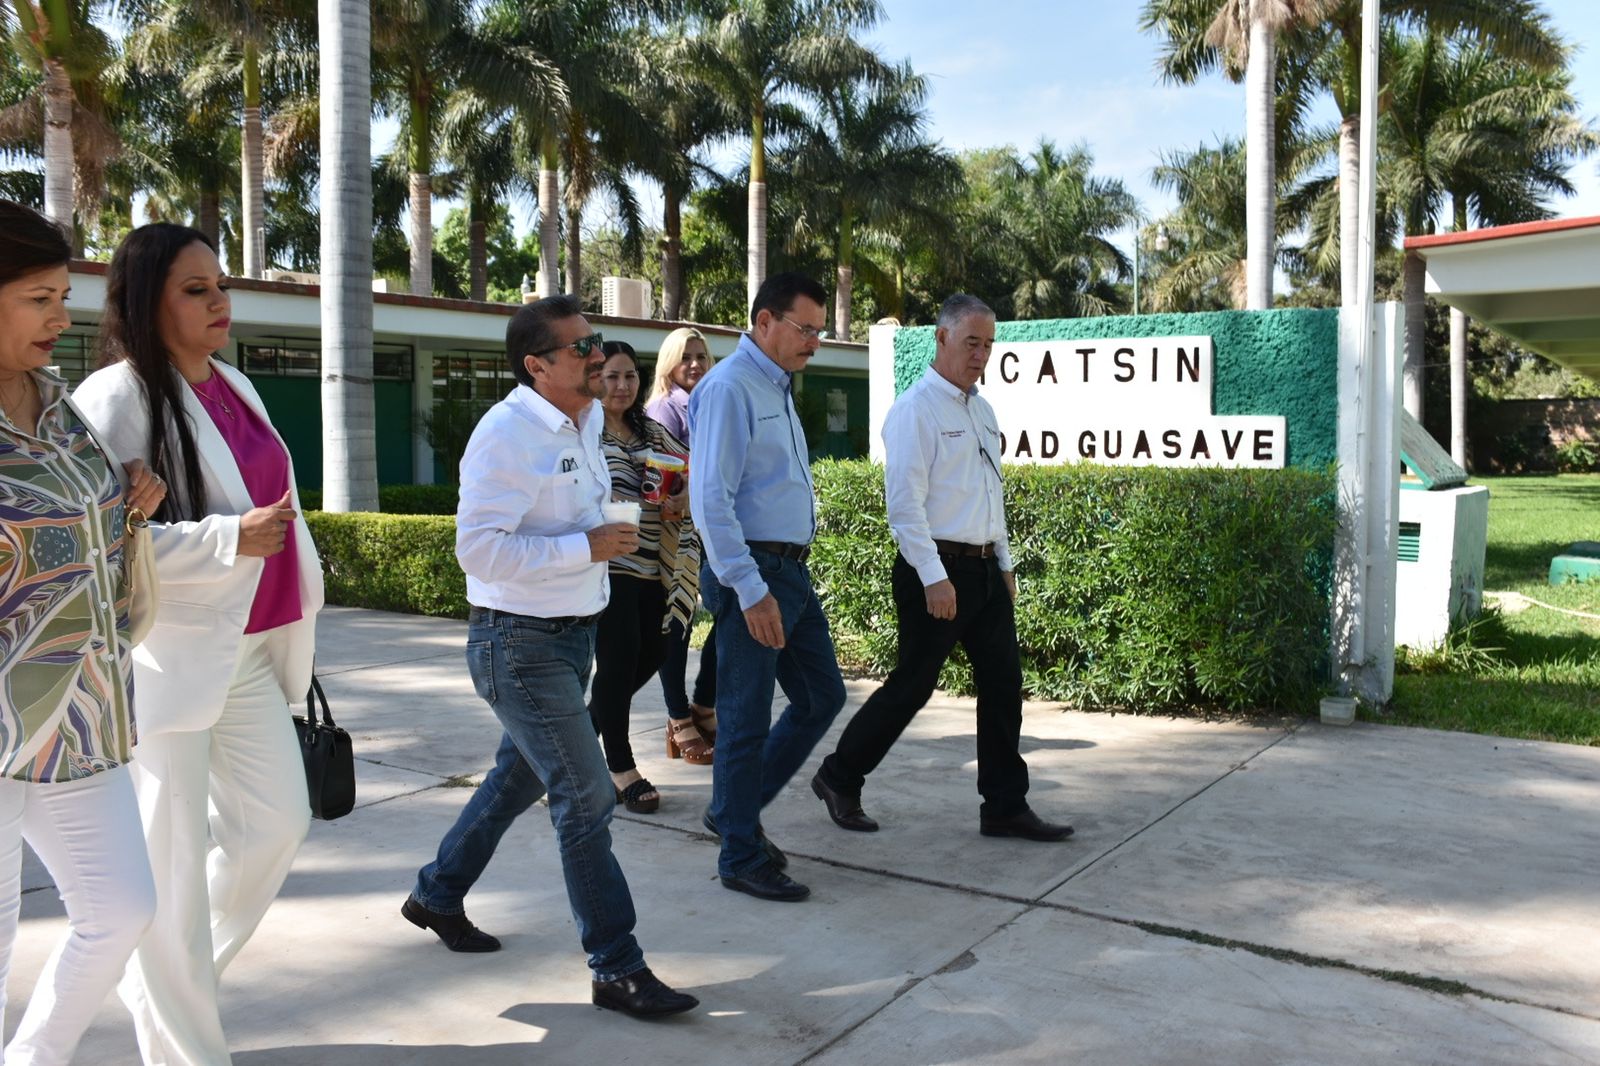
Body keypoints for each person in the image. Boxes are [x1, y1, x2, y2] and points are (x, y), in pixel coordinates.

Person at [402, 295, 697, 1019]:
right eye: (579, 349)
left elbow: (573, 512)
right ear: (537, 366)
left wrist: (615, 528)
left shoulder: (588, 418)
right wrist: (585, 547)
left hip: (571, 637)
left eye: (595, 342)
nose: (597, 356)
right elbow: (476, 549)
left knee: (517, 778)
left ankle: (438, 893)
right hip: (517, 641)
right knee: (588, 796)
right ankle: (616, 966)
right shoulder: (505, 435)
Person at [73, 223, 325, 1066]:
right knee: (174, 868)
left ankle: (166, 982)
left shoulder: (236, 384)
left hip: (251, 649)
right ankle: (185, 1045)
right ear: (148, 302)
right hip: (169, 662)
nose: (221, 301)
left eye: (221, 284)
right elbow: (98, 544)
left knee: (275, 827)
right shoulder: (115, 397)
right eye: (196, 289)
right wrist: (225, 541)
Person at [811, 294, 1073, 842]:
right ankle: (839, 777)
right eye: (971, 342)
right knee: (913, 685)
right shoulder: (914, 410)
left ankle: (1004, 805)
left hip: (983, 571)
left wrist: (1003, 563)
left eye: (988, 345)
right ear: (942, 338)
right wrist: (934, 577)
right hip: (935, 570)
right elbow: (905, 507)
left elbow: (989, 495)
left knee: (1003, 684)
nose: (980, 355)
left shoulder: (982, 410)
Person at [0, 200, 162, 1063]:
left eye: (64, 295)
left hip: (84, 714)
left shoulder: (61, 408)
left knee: (122, 910)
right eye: (38, 298)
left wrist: (128, 487)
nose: (62, 318)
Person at [687, 272, 847, 903]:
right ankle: (741, 854)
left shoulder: (773, 386)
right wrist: (750, 590)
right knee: (746, 719)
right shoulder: (730, 387)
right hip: (755, 573)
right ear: (763, 321)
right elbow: (711, 502)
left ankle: (734, 812)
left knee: (820, 698)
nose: (814, 343)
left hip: (788, 571)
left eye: (818, 331)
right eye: (804, 329)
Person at [589, 340, 700, 813]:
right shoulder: (584, 432)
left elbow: (695, 469)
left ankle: (562, 745)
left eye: (629, 376)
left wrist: (683, 498)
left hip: (654, 565)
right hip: (609, 567)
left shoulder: (650, 432)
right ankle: (619, 768)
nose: (621, 385)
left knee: (654, 652)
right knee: (618, 664)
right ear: (594, 380)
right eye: (611, 376)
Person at [644, 327, 717, 764]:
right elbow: (662, 478)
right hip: (679, 533)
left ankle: (704, 703)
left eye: (701, 356)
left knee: (729, 617)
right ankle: (677, 718)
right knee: (677, 626)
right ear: (668, 363)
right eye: (685, 356)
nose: (694, 364)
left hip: (715, 529)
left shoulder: (712, 403)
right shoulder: (663, 409)